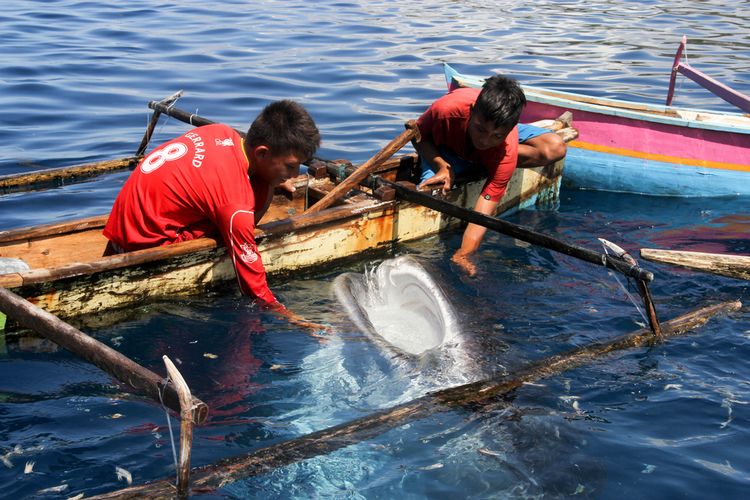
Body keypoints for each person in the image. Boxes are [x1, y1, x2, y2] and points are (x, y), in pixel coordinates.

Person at [103, 100, 324, 330]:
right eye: (290, 167)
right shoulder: (234, 202)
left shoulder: (222, 132)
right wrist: (291, 318)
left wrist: (276, 178)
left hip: (123, 223)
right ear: (261, 153)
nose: (295, 174)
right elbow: (253, 283)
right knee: (241, 216)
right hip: (141, 244)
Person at [415, 75, 566, 276]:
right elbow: (419, 136)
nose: (484, 141)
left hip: (501, 149)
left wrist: (464, 253)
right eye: (480, 130)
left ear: (510, 129)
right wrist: (441, 165)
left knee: (553, 146)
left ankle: (486, 160)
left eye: (496, 136)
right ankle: (473, 161)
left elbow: (481, 215)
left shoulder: (506, 150)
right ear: (471, 113)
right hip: (445, 151)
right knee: (426, 191)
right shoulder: (446, 109)